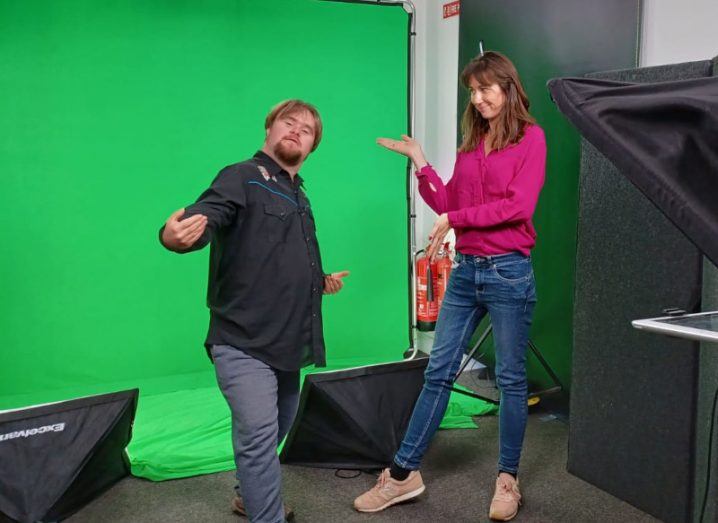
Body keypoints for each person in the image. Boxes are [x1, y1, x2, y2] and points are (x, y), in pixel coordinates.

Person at [353, 51, 546, 522]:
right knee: (438, 371)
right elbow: (446, 201)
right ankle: (403, 477)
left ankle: (507, 479)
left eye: (485, 89)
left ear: (508, 87)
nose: (478, 100)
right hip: (467, 272)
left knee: (511, 380)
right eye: (473, 92)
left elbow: (517, 207)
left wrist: (455, 218)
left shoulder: (531, 139)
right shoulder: (471, 145)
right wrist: (420, 161)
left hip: (508, 272)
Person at [159, 99, 349, 523]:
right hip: (241, 340)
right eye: (289, 122)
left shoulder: (299, 195)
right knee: (259, 435)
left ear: (313, 146)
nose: (297, 131)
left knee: (278, 424)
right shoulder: (241, 176)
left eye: (307, 129)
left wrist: (319, 281)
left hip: (287, 341)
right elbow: (207, 216)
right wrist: (176, 236)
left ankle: (247, 494)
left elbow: (277, 257)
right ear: (269, 128)